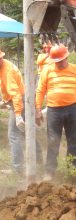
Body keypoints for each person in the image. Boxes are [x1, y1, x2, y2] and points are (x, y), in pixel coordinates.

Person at [0, 45, 43, 175]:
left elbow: (16, 94)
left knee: (14, 135)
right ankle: (39, 160)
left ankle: (18, 168)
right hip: (19, 102)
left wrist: (18, 114)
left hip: (19, 103)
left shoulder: (7, 71)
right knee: (27, 132)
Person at [35, 44, 76, 181]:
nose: (58, 63)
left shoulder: (74, 69)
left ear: (67, 57)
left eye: (61, 61)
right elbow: (40, 90)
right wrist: (38, 110)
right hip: (54, 111)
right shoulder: (47, 70)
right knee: (53, 142)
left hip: (73, 109)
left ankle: (72, 172)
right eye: (56, 61)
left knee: (74, 141)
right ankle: (50, 173)